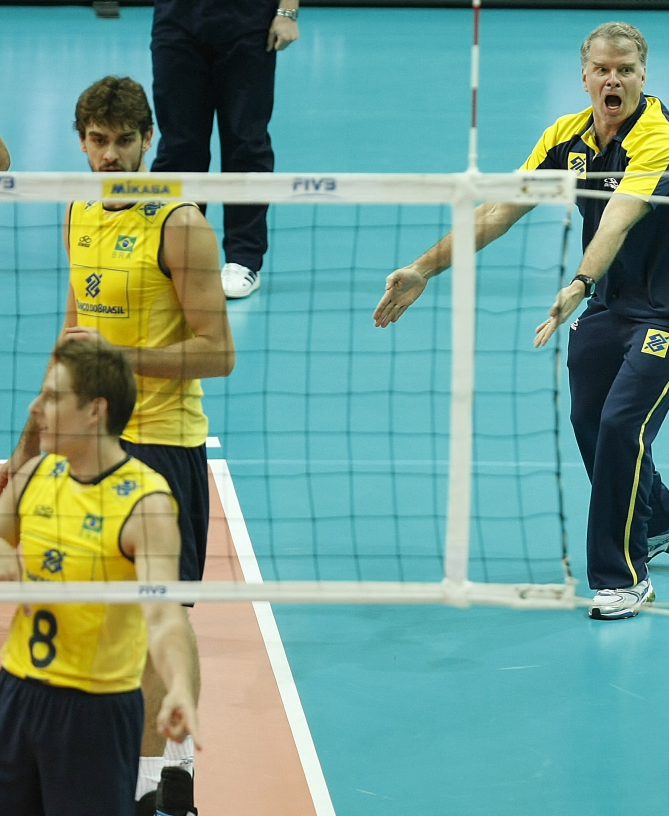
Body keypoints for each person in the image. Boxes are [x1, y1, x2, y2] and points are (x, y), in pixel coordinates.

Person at [373, 22, 669, 621]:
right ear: (585, 77)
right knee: (589, 418)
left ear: (643, 76)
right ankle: (663, 520)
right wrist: (423, 268)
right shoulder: (565, 138)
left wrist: (580, 282)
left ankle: (622, 577)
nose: (613, 80)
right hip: (614, 297)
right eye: (602, 70)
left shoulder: (659, 139)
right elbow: (499, 210)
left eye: (625, 70)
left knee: (622, 425)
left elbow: (618, 216)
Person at [0, 76, 234, 815]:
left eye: (124, 141)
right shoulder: (78, 210)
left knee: (161, 614)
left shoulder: (180, 223)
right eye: (97, 141)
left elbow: (219, 351)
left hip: (162, 441)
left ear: (147, 141)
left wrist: (121, 360)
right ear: (81, 143)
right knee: (95, 611)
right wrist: (27, 445)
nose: (110, 156)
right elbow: (71, 339)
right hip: (91, 442)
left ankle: (166, 780)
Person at [0, 338, 202, 816]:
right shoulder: (35, 476)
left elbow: (164, 615)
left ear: (95, 410)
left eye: (53, 397)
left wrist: (178, 684)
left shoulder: (146, 504)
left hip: (95, 713)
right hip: (18, 693)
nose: (34, 408)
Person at [150, 0, 300, 299]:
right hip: (177, 21)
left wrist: (287, 12)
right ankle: (177, 254)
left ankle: (243, 260)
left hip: (248, 23)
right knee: (178, 148)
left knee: (247, 145)